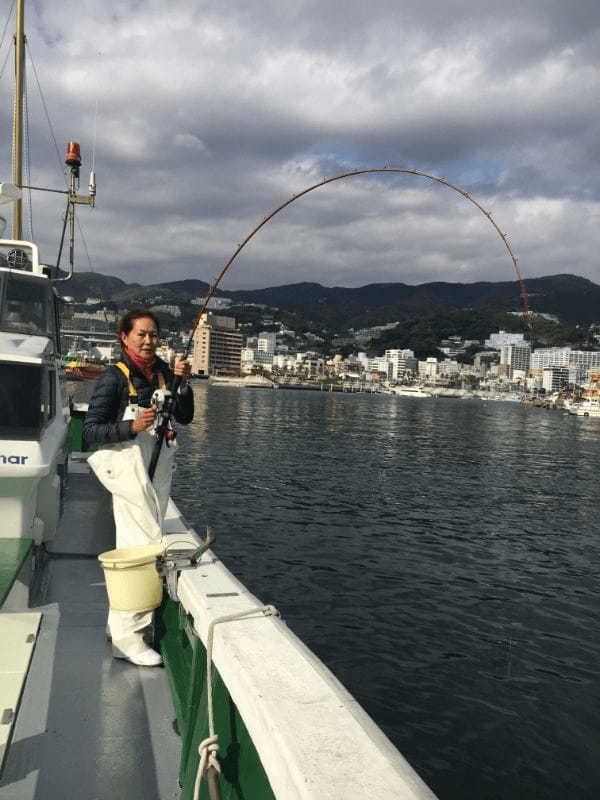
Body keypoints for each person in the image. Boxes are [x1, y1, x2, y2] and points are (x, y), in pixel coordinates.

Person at [84, 309, 193, 666]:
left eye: (153, 335)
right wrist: (131, 428)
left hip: (156, 468)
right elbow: (90, 432)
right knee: (140, 546)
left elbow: (185, 415)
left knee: (144, 539)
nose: (148, 341)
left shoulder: (163, 371)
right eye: (141, 335)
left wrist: (183, 383)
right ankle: (128, 640)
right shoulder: (114, 379)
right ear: (124, 337)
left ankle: (118, 626)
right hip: (128, 469)